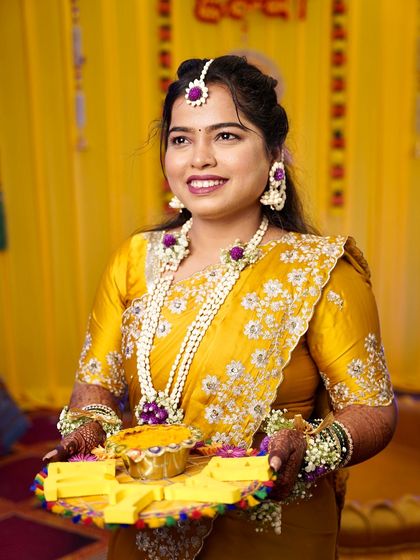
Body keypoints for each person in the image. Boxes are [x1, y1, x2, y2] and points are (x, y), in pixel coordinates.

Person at [44, 55, 396, 559]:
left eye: (226, 136)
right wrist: (90, 429)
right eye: (181, 138)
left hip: (270, 530)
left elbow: (373, 411)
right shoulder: (134, 259)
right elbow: (95, 381)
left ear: (274, 152)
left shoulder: (319, 269)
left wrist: (309, 448)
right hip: (148, 517)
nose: (198, 158)